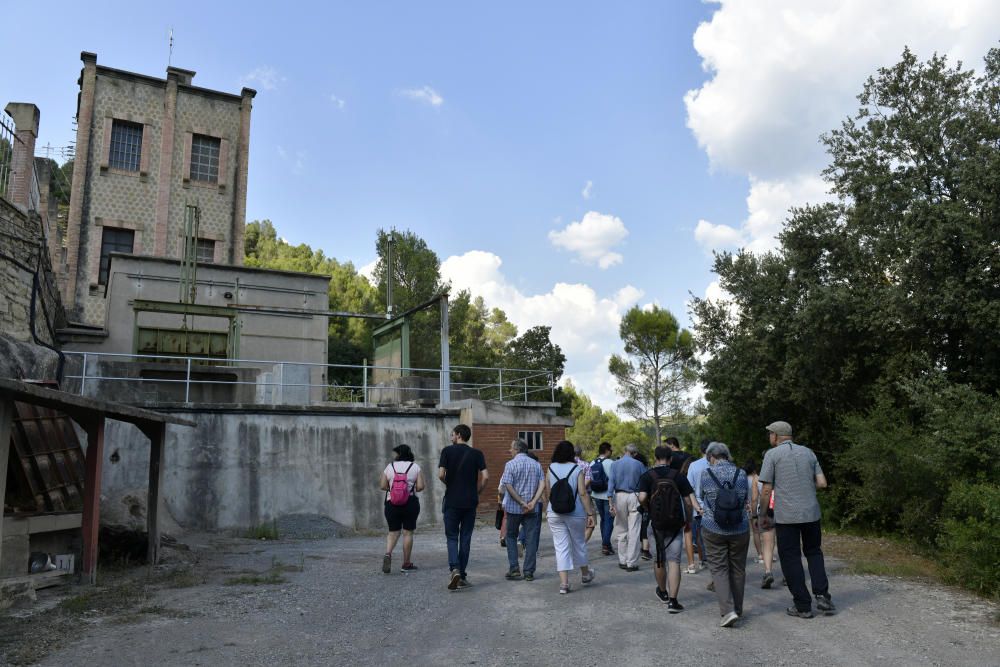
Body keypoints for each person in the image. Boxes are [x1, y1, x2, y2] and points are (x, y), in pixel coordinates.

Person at [758, 421, 835, 618]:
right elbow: (822, 483)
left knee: (790, 557)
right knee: (814, 552)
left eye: (769, 434)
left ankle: (803, 605)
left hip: (786, 516)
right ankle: (822, 595)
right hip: (811, 513)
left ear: (775, 436)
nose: (769, 438)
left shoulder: (772, 455)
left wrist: (763, 514)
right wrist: (804, 488)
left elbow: (766, 489)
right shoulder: (809, 453)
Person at [638, 446, 700, 613]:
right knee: (674, 561)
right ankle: (673, 601)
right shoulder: (678, 476)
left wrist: (647, 507)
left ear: (655, 457)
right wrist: (687, 519)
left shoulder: (648, 476)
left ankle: (663, 592)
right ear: (670, 459)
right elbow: (688, 501)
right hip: (675, 523)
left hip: (656, 523)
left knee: (659, 559)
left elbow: (642, 497)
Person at [699, 442, 751, 628]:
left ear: (712, 457)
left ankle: (728, 611)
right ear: (727, 455)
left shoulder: (706, 474)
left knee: (719, 569)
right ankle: (738, 608)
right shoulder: (742, 474)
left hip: (713, 527)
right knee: (738, 568)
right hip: (740, 527)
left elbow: (701, 495)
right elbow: (745, 499)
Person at [438, 424, 488, 591]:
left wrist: (450, 485)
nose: (451, 437)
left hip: (452, 501)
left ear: (458, 435)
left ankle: (455, 569)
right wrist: (477, 491)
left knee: (452, 537)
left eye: (452, 434)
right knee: (465, 538)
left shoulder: (447, 451)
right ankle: (462, 576)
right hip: (470, 501)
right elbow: (486, 477)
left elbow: (440, 474)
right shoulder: (477, 453)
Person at [545, 440, 596, 593]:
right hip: (575, 513)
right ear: (571, 454)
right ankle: (585, 575)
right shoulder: (577, 469)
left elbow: (548, 492)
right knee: (578, 543)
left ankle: (564, 584)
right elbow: (582, 493)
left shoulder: (550, 468)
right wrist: (590, 513)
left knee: (561, 547)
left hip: (554, 512)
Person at [499, 438, 544, 581]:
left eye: (511, 448)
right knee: (531, 539)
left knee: (511, 536)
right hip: (532, 508)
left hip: (514, 508)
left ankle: (514, 569)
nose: (510, 450)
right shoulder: (536, 464)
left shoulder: (510, 465)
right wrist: (533, 502)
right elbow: (542, 484)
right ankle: (529, 572)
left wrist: (520, 502)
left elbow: (507, 485)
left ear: (518, 449)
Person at [379, 444, 426, 574]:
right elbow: (421, 487)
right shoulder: (415, 467)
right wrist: (409, 487)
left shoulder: (390, 466)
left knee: (393, 532)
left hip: (391, 503)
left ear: (399, 454)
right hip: (410, 503)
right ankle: (406, 563)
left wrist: (394, 489)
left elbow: (382, 485)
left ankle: (388, 553)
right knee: (408, 533)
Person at [608, 443, 646, 571]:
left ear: (625, 451)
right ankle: (631, 562)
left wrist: (610, 502)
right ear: (635, 454)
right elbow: (644, 483)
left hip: (619, 496)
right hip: (634, 496)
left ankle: (622, 560)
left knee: (621, 529)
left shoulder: (614, 464)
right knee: (634, 530)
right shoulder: (639, 465)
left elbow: (611, 483)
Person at [685, 440, 711, 573]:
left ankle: (703, 560)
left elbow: (690, 488)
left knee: (700, 536)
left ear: (701, 450)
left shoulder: (694, 466)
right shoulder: (718, 464)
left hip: (699, 507)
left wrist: (695, 507)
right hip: (717, 507)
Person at [587, 442, 616, 555]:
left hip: (596, 494)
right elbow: (614, 480)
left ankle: (606, 544)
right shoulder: (611, 463)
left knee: (603, 519)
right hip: (608, 495)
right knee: (609, 520)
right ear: (607, 450)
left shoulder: (593, 462)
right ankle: (606, 544)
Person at [634, 451, 654, 561]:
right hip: (644, 498)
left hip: (631, 497)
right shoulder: (646, 471)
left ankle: (641, 547)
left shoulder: (630, 470)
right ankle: (645, 550)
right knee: (645, 523)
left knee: (637, 525)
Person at [744, 458, 763, 564]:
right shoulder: (757, 478)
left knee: (753, 532)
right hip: (758, 507)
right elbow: (762, 492)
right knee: (761, 531)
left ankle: (760, 554)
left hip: (747, 508)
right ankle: (765, 553)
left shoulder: (743, 479)